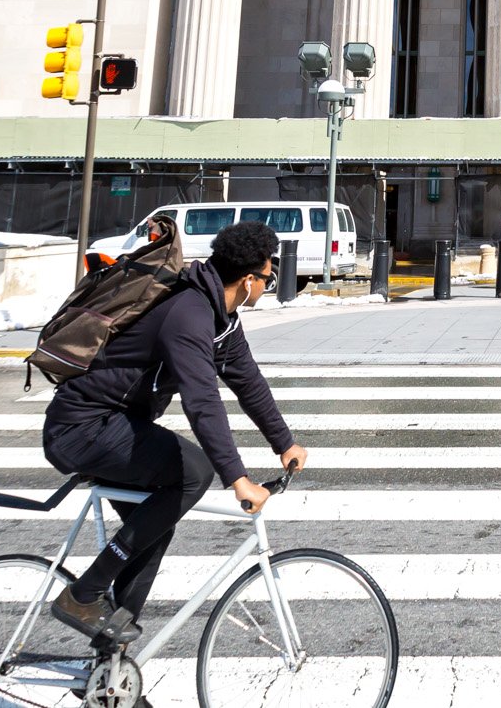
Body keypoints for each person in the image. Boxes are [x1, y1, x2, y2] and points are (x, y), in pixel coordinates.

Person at [42, 221, 307, 644]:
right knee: (193, 473)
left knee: (151, 532)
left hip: (115, 425)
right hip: (83, 428)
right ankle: (83, 593)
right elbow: (201, 400)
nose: (269, 283)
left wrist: (284, 442)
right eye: (268, 276)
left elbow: (247, 379)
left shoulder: (220, 315)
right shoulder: (189, 314)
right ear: (247, 280)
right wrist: (237, 478)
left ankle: (110, 678)